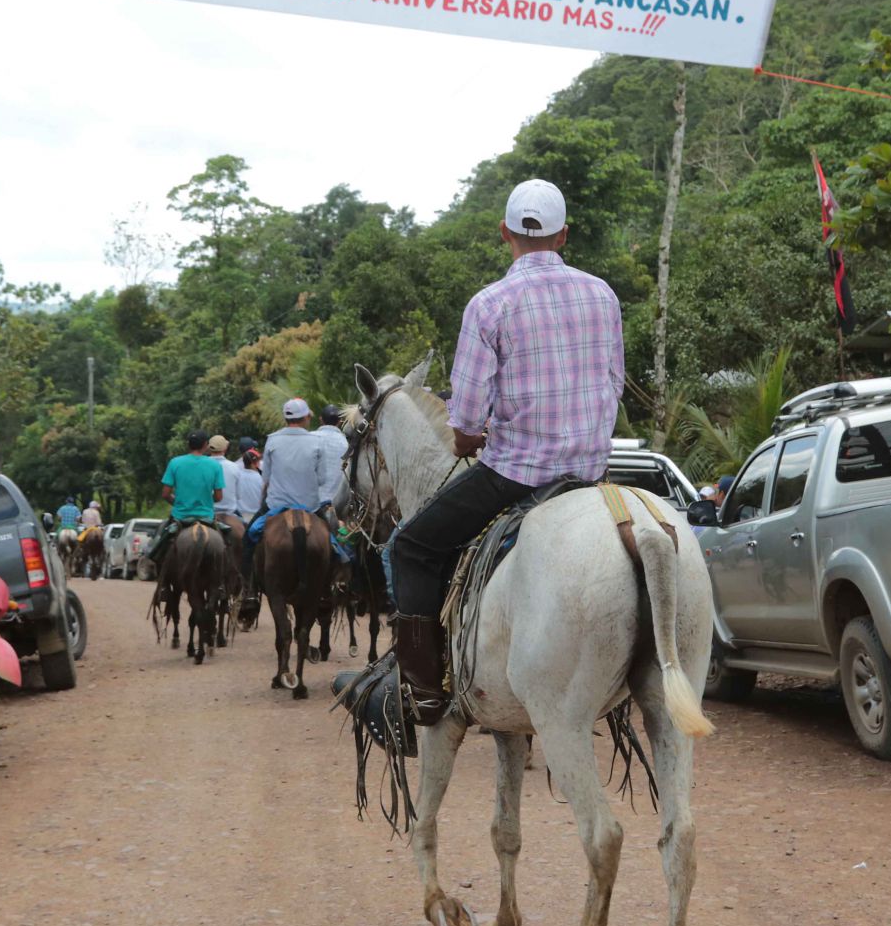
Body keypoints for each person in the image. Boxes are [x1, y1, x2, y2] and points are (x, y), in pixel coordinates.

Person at [365, 177, 623, 727]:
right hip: (592, 477)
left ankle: (427, 693)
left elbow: (463, 425)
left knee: (409, 547)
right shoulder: (603, 294)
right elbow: (614, 384)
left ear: (503, 232)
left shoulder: (489, 305)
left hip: (515, 476)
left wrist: (470, 438)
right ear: (564, 235)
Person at [243, 397, 338, 584]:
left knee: (248, 539)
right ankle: (330, 588)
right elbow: (322, 479)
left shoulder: (272, 440)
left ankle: (248, 590)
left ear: (286, 418)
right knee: (333, 541)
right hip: (310, 507)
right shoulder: (317, 442)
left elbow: (266, 478)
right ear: (306, 418)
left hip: (276, 506)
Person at [147, 432, 225, 568]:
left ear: (188, 445)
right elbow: (218, 497)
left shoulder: (175, 463)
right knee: (226, 545)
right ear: (205, 445)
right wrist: (205, 500)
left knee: (162, 544)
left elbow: (165, 494)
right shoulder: (215, 466)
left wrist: (178, 502)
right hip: (207, 517)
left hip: (180, 517)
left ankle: (161, 578)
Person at [316, 404, 351, 518]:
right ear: (340, 421)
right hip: (337, 510)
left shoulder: (308, 439)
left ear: (321, 419)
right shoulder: (347, 445)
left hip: (310, 506)